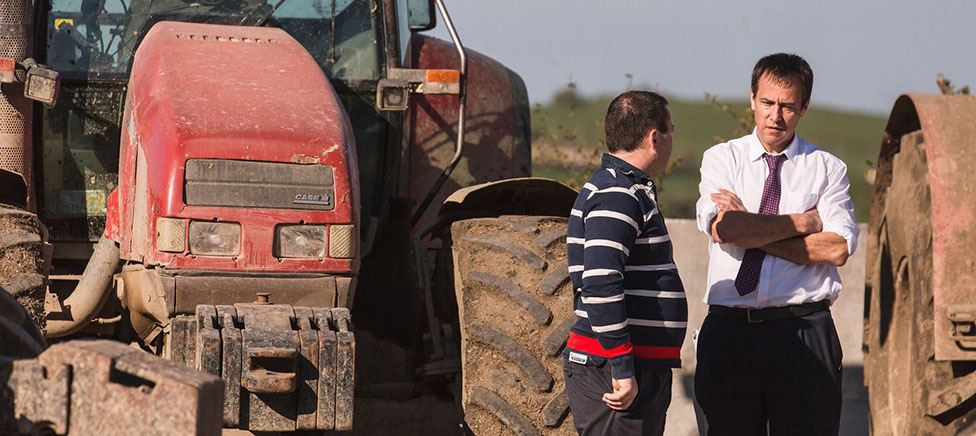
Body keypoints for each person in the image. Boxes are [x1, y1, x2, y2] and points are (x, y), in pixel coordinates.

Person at [693, 53, 859, 435]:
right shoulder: (722, 159)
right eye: (767, 103)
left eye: (787, 106)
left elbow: (836, 250)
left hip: (803, 332)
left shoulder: (828, 168)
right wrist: (802, 223)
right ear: (752, 98)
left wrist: (752, 231)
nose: (775, 116)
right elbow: (724, 229)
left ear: (804, 108)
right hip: (731, 333)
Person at [564, 90, 688, 436]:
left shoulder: (622, 189)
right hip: (614, 367)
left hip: (626, 363)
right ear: (654, 138)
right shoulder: (618, 194)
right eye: (670, 131)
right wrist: (621, 365)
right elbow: (601, 283)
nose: (672, 141)